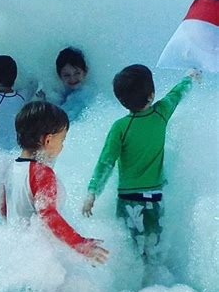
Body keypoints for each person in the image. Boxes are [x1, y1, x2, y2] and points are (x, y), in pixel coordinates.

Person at [82, 65, 201, 266]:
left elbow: (106, 162)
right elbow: (176, 94)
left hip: (129, 199)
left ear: (121, 100)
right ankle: (156, 285)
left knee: (131, 250)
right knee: (155, 248)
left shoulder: (120, 127)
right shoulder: (161, 113)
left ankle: (133, 289)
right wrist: (189, 77)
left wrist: (92, 192)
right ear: (152, 94)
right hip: (154, 197)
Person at [1, 101, 108, 263]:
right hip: (37, 256)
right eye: (62, 139)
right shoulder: (41, 172)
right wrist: (80, 243)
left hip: (13, 252)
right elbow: (48, 215)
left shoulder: (11, 168)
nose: (62, 146)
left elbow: (4, 209)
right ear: (48, 140)